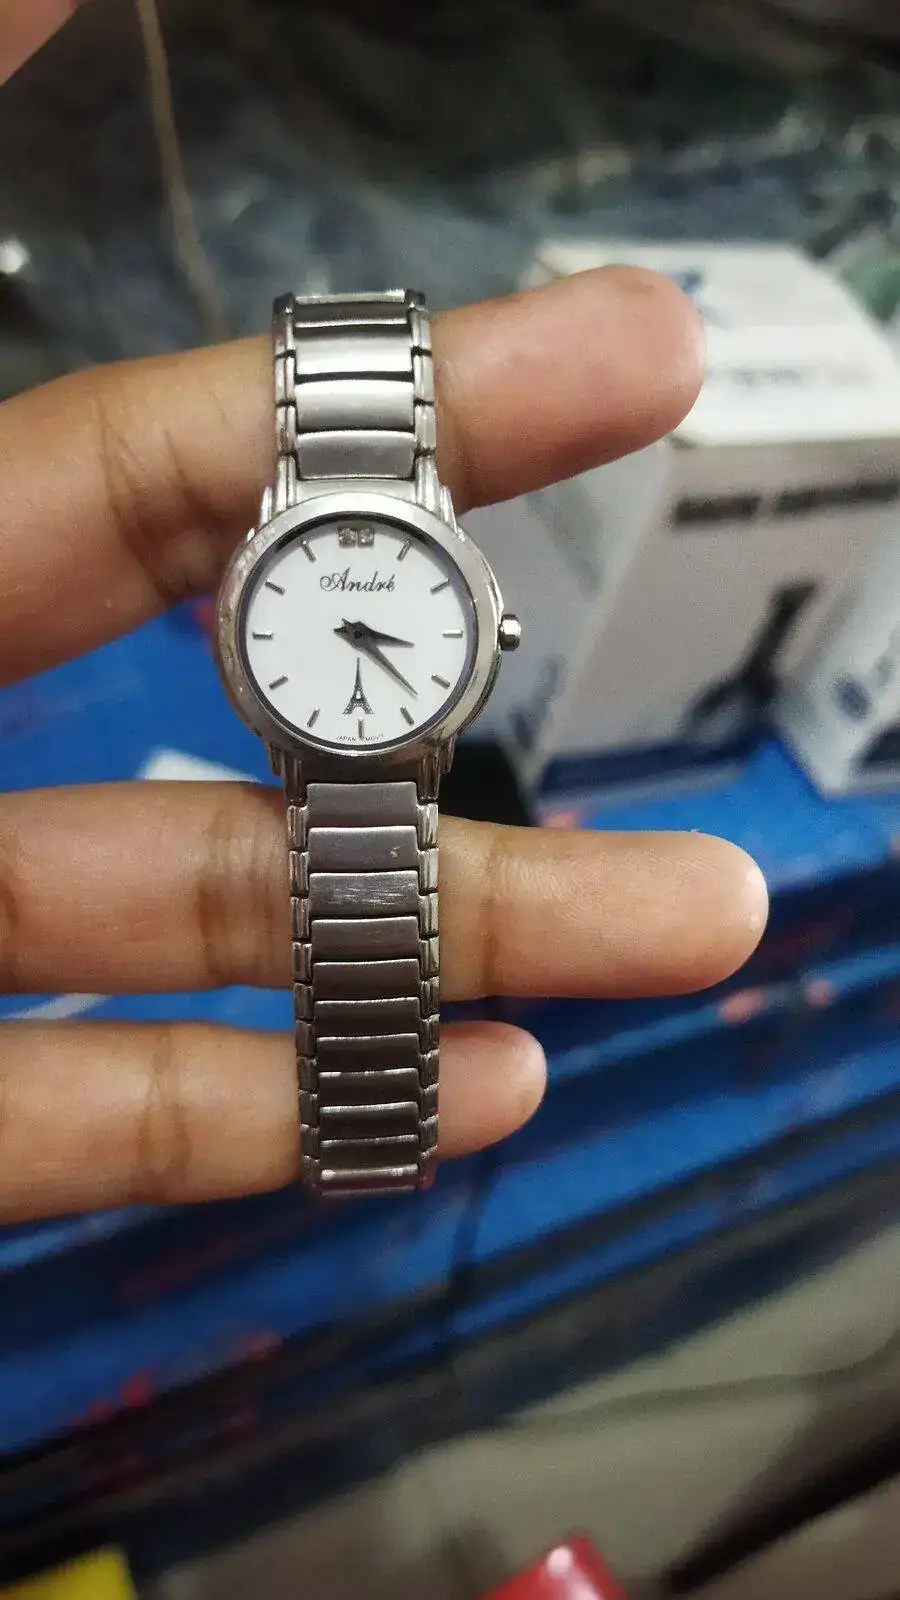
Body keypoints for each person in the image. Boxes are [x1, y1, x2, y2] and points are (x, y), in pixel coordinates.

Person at [0, 4, 767, 1222]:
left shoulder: (357, 605)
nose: (359, 627)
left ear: (485, 622)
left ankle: (365, 1145)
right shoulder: (314, 590)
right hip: (339, 753)